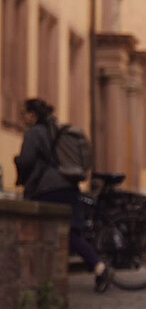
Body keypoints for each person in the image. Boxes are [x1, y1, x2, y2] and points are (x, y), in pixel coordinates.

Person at [15, 98, 110, 291]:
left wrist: (19, 165)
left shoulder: (35, 133)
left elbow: (26, 161)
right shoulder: (54, 129)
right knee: (71, 234)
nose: (22, 118)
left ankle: (41, 280)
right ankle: (98, 267)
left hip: (48, 189)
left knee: (43, 232)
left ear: (33, 115)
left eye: (24, 114)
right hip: (68, 185)